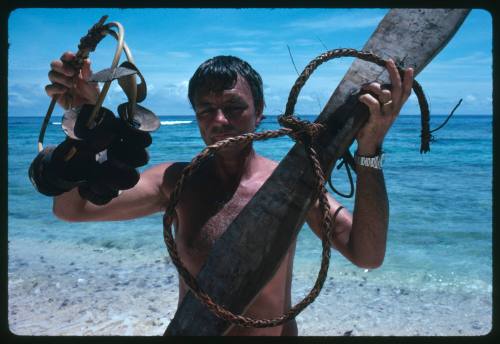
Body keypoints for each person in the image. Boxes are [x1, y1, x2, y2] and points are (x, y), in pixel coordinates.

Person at [45, 52, 413, 336]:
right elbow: (72, 208)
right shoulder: (175, 184)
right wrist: (83, 122)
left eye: (234, 108)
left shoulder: (294, 184)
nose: (219, 121)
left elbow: (368, 254)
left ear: (260, 113)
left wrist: (369, 149)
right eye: (206, 110)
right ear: (196, 116)